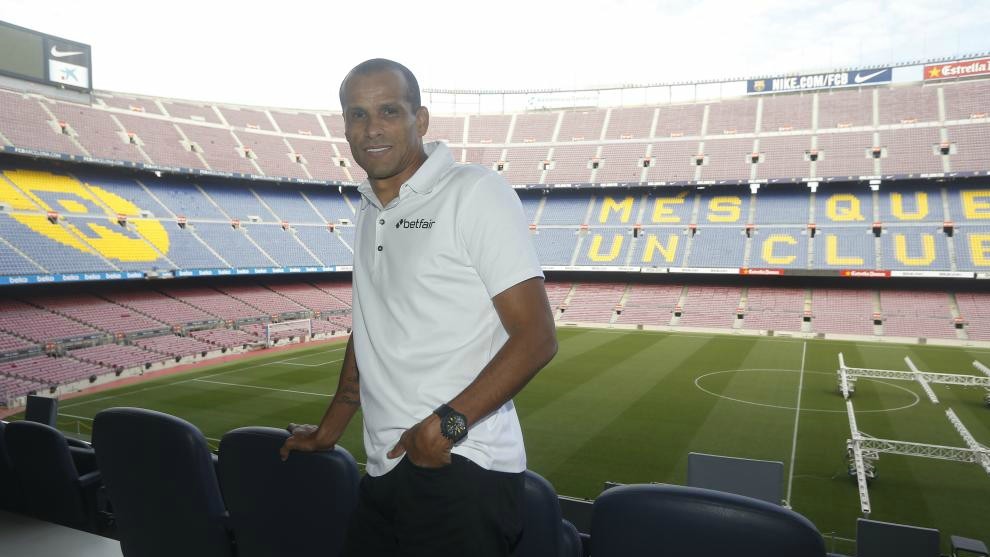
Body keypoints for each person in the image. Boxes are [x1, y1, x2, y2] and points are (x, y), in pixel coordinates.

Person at [279, 58, 558, 557]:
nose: (372, 128)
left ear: (420, 119)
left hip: (460, 466)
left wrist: (446, 428)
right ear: (345, 126)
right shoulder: (370, 208)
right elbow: (371, 325)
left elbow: (537, 337)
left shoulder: (474, 192)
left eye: (389, 111)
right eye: (358, 114)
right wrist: (330, 428)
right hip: (386, 469)